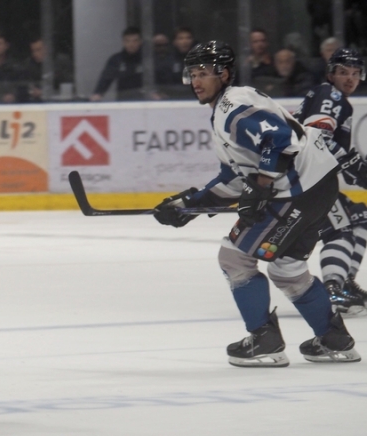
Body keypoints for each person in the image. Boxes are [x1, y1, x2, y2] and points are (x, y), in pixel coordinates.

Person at [153, 41, 360, 367]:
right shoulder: (230, 105)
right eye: (193, 73)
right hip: (318, 187)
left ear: (223, 74)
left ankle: (265, 341)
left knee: (234, 258)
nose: (196, 81)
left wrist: (261, 186)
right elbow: (236, 176)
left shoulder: (231, 107)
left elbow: (280, 140)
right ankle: (335, 340)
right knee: (288, 269)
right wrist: (190, 205)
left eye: (204, 73)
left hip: (297, 191)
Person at [293, 48, 367, 318]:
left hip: (311, 178)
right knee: (341, 230)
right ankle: (333, 287)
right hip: (305, 182)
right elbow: (316, 138)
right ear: (330, 74)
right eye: (344, 72)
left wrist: (353, 166)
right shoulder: (331, 95)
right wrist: (352, 164)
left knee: (361, 218)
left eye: (355, 73)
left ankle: (344, 280)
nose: (350, 78)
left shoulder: (332, 97)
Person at [90, 26, 143, 101]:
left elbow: (158, 78)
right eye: (127, 41)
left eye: (135, 41)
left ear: (140, 42)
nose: (131, 44)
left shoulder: (147, 60)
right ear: (123, 42)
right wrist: (98, 94)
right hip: (123, 102)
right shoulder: (116, 60)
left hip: (145, 102)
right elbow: (105, 79)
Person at [16, 36, 74, 102]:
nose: (35, 54)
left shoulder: (61, 62)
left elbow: (69, 88)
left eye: (38, 50)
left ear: (47, 48)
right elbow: (24, 87)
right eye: (33, 51)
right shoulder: (29, 65)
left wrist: (45, 93)